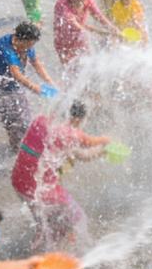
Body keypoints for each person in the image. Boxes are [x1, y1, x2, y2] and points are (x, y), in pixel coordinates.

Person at [12, 100, 110, 249]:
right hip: (37, 187)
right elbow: (91, 148)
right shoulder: (72, 134)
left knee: (44, 218)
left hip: (18, 181)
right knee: (78, 217)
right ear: (78, 119)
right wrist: (107, 144)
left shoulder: (41, 120)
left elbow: (76, 153)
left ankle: (39, 239)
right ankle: (69, 251)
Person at [0, 21, 57, 150]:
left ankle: (19, 147)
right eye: (28, 45)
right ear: (18, 39)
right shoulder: (6, 49)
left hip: (13, 86)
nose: (29, 48)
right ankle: (18, 150)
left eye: (31, 45)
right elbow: (17, 74)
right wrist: (36, 88)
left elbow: (36, 63)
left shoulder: (26, 43)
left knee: (25, 120)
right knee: (15, 123)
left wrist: (50, 82)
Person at [52, 0, 117, 68]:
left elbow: (99, 16)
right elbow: (75, 25)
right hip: (64, 41)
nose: (81, 2)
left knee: (88, 64)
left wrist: (114, 29)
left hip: (81, 36)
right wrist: (101, 33)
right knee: (69, 70)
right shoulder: (62, 4)